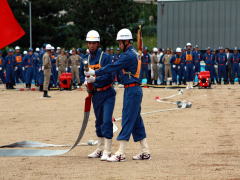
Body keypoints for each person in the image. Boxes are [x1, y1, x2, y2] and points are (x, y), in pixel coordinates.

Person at [85, 28, 151, 162]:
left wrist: (95, 73)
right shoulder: (132, 53)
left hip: (132, 90)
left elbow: (112, 67)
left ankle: (121, 152)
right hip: (132, 89)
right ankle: (145, 150)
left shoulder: (128, 55)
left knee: (127, 118)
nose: (119, 45)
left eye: (120, 42)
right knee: (136, 121)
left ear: (126, 41)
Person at [80, 30, 116, 161]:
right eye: (89, 43)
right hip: (95, 94)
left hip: (107, 93)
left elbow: (110, 76)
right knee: (99, 122)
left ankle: (108, 150)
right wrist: (84, 81)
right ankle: (100, 149)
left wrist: (95, 79)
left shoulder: (105, 57)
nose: (91, 45)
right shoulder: (86, 59)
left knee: (107, 121)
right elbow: (81, 73)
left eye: (94, 43)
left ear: (98, 43)